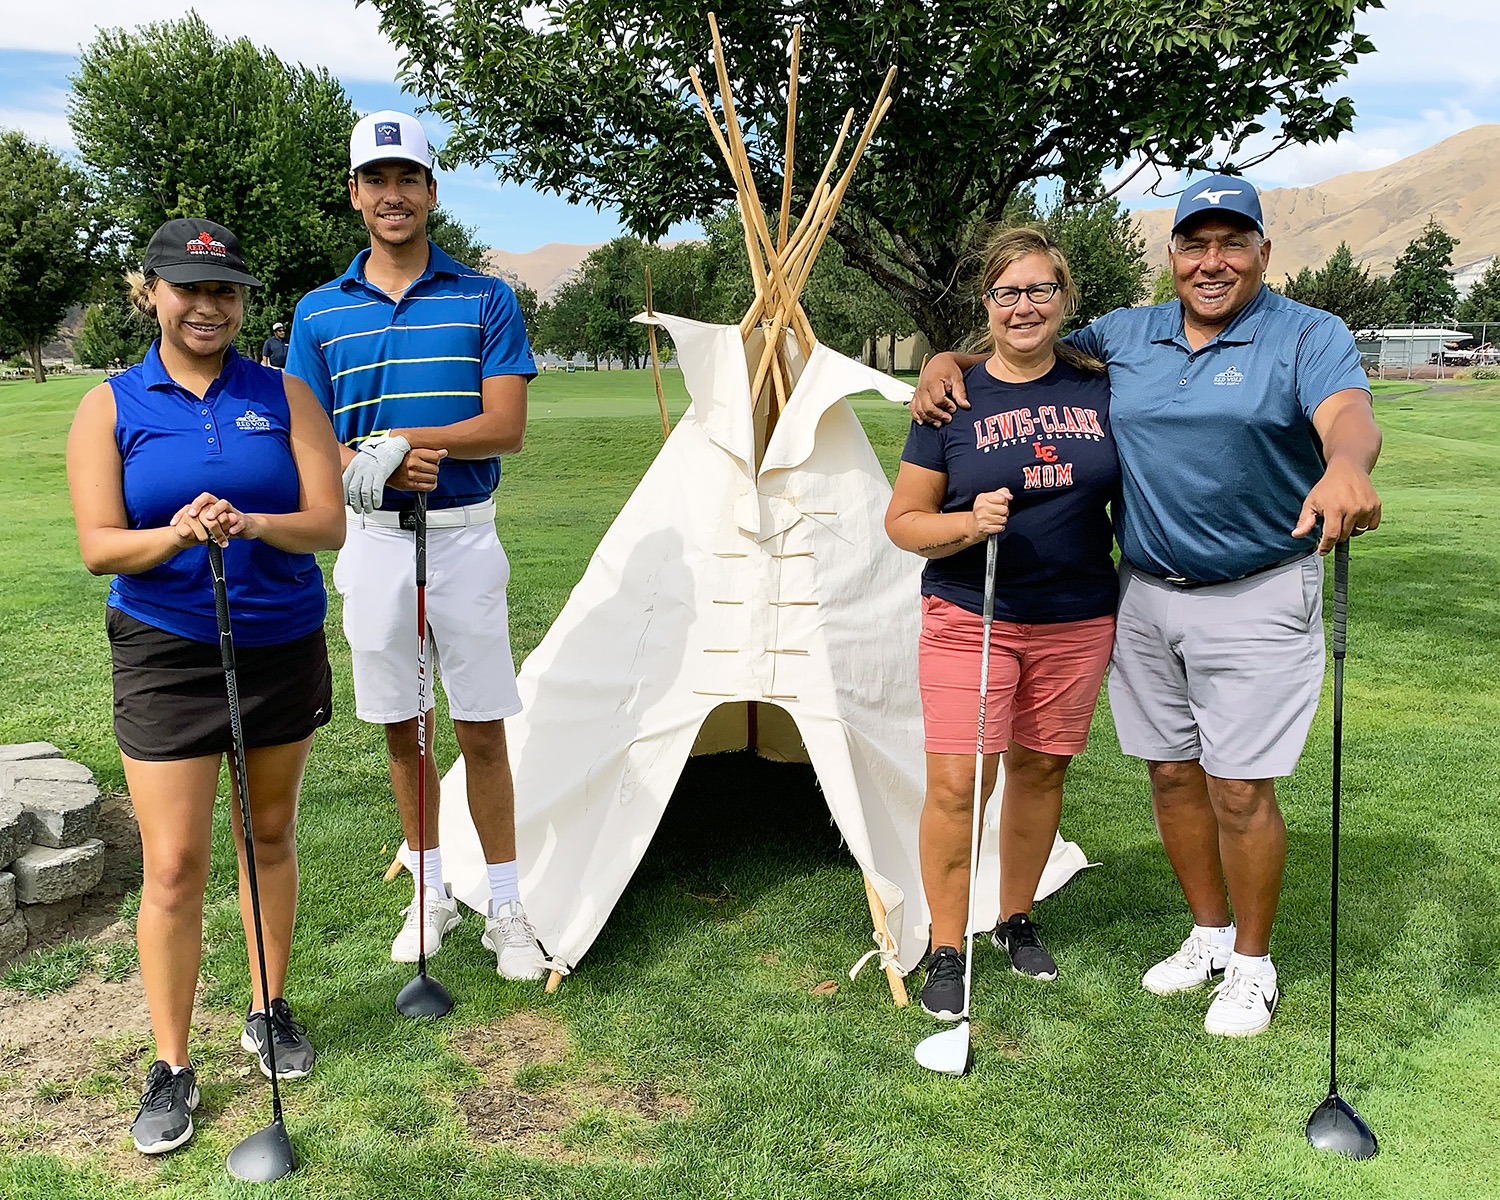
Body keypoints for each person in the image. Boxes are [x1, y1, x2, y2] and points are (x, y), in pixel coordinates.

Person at [909, 176, 1382, 1036]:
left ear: (1263, 252)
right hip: (1147, 594)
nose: (1213, 262)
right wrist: (947, 361)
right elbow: (1022, 345)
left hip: (1258, 588)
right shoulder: (1123, 335)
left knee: (1239, 788)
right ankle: (1208, 932)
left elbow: (1348, 413)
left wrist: (1348, 462)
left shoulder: (1306, 332)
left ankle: (1252, 963)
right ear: (1171, 256)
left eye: (1232, 243)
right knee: (1170, 775)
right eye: (1194, 245)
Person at [65, 218, 345, 1154]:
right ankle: (173, 1065)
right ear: (152, 290)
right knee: (176, 863)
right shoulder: (110, 406)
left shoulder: (287, 394)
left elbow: (328, 524)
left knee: (268, 831)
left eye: (224, 291)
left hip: (278, 641)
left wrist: (257, 524)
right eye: (188, 288)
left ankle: (268, 1009)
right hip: (167, 649)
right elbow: (101, 546)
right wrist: (181, 533)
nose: (208, 306)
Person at [283, 110, 548, 979]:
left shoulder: (485, 297)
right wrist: (376, 459)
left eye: (409, 180)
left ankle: (505, 904)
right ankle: (430, 887)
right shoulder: (319, 313)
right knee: (404, 727)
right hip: (374, 542)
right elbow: (311, 438)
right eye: (376, 181)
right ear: (355, 195)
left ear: (431, 192)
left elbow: (504, 425)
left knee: (479, 731)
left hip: (465, 540)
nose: (392, 196)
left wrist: (406, 442)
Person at [886, 228, 1119, 1020]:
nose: (1024, 307)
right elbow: (902, 521)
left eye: (1040, 290)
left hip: (1078, 614)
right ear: (985, 302)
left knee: (1041, 770)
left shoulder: (1102, 384)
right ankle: (948, 946)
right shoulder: (950, 397)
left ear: (1065, 298)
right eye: (1006, 292)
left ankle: (1014, 917)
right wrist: (962, 525)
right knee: (959, 781)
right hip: (970, 609)